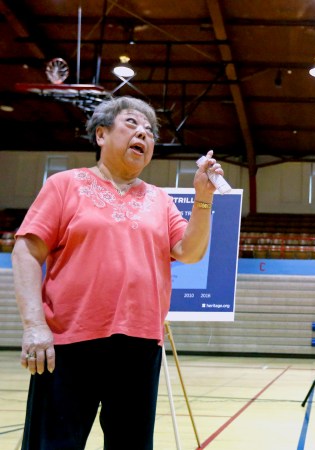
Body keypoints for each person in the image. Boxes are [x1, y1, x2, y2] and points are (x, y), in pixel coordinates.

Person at [11, 95, 224, 449]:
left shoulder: (159, 200)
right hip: (68, 345)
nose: (143, 133)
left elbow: (189, 251)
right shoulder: (65, 185)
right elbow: (26, 252)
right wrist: (34, 326)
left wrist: (204, 197)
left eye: (150, 131)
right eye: (132, 124)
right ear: (101, 135)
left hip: (139, 346)